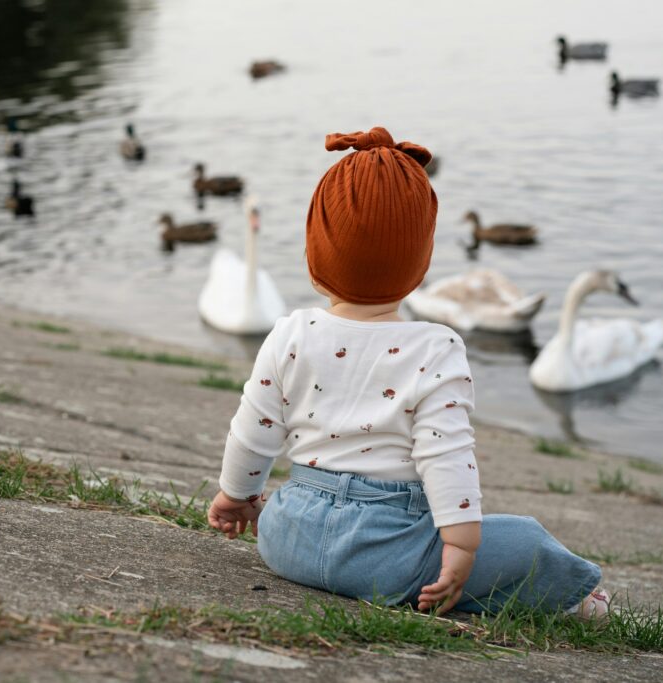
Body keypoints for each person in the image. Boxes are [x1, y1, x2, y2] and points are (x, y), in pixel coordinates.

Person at [206, 127, 608, 618]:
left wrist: (237, 497)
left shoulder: (291, 333)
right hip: (391, 553)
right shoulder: (436, 348)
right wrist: (459, 549)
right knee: (522, 539)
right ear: (421, 267)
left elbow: (253, 432)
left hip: (287, 540)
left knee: (286, 505)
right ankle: (571, 599)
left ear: (313, 259)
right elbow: (447, 455)